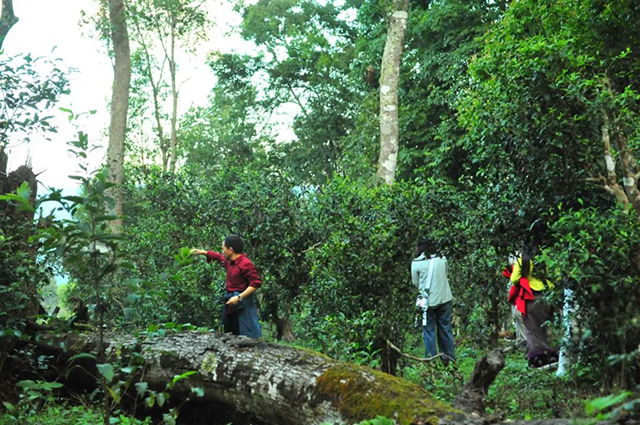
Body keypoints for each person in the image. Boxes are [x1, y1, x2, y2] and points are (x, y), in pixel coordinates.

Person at [190, 234, 262, 338]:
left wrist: (239, 297)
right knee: (231, 332)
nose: (222, 251)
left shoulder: (245, 264)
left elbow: (255, 284)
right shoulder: (230, 262)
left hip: (243, 302)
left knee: (247, 332)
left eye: (223, 248)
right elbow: (219, 257)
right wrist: (202, 252)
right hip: (230, 301)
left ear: (230, 250)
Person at [508, 245, 557, 367]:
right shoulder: (545, 257)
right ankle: (553, 354)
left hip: (531, 297)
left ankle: (538, 357)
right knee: (548, 326)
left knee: (532, 329)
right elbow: (555, 275)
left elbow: (514, 279)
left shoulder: (523, 259)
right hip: (547, 295)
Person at [411, 238, 455, 364]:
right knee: (445, 329)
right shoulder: (442, 259)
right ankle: (449, 360)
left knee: (429, 331)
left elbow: (415, 282)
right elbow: (445, 275)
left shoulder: (416, 263)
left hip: (427, 302)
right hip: (444, 298)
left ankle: (431, 362)